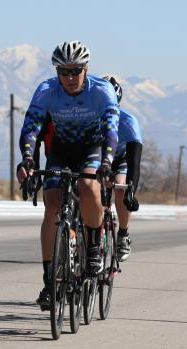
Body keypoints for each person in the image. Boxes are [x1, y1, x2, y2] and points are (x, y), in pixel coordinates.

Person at [16, 40, 121, 310]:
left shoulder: (101, 90)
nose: (70, 77)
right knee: (51, 207)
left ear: (86, 69)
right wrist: (28, 158)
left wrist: (107, 161)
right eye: (64, 72)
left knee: (88, 185)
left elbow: (111, 129)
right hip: (61, 150)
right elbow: (31, 128)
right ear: (57, 72)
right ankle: (50, 279)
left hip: (92, 147)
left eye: (75, 71)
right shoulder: (47, 90)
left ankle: (95, 245)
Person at [103, 76, 142, 262]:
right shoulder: (89, 115)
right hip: (98, 160)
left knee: (120, 187)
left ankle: (123, 234)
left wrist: (131, 190)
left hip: (121, 160)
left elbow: (135, 160)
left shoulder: (128, 121)